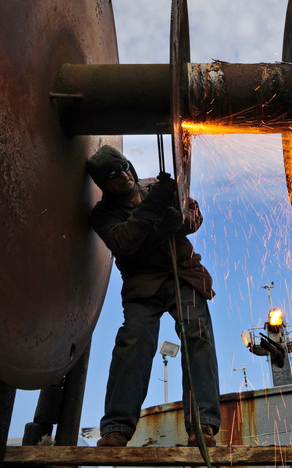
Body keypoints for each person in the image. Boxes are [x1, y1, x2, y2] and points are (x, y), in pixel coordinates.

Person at [86, 145, 220, 448]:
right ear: (103, 185)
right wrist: (151, 211)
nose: (123, 175)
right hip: (142, 284)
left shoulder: (156, 187)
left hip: (183, 273)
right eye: (113, 175)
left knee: (198, 335)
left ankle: (202, 424)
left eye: (123, 167)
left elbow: (194, 216)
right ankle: (117, 427)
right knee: (134, 341)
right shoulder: (102, 215)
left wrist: (179, 219)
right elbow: (123, 241)